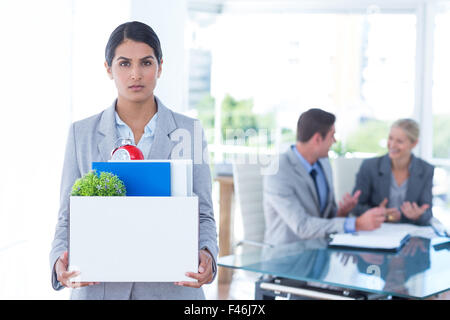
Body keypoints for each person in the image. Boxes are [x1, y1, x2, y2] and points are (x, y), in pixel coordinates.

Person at [49, 21, 218, 299]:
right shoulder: (81, 133)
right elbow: (68, 214)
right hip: (100, 288)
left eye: (146, 63)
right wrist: (59, 260)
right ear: (108, 69)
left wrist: (207, 253)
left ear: (160, 67)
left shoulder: (189, 132)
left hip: (170, 289)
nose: (136, 74)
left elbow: (203, 213)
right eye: (125, 64)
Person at [263, 108, 386, 245]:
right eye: (332, 135)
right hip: (287, 258)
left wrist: (341, 212)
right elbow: (302, 226)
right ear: (317, 139)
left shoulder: (324, 163)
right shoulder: (278, 171)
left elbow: (325, 219)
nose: (334, 141)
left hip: (321, 251)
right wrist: (356, 223)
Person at [352, 119, 434, 225]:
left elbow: (427, 212)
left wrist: (418, 215)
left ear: (414, 143)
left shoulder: (426, 169)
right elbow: (355, 207)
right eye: (390, 138)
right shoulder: (370, 166)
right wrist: (379, 213)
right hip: (377, 230)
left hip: (410, 233)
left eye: (399, 141)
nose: (392, 145)